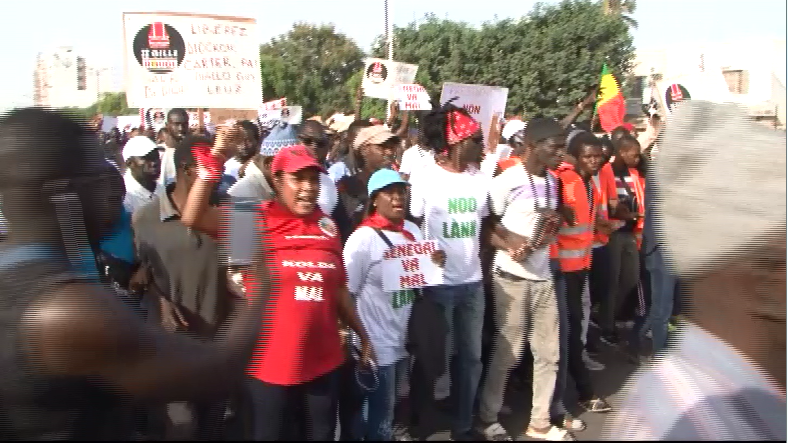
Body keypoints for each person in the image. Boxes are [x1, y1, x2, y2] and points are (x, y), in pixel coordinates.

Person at [0, 108, 271, 440]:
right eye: (98, 178)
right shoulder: (66, 310)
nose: (112, 192)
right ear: (62, 191)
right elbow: (222, 367)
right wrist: (268, 287)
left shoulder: (41, 266)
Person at [603, 100, 786, 441]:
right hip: (658, 252)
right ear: (771, 273)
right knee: (657, 310)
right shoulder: (679, 422)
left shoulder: (753, 400)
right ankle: (647, 345)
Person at [478, 118, 573, 442]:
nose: (562, 154)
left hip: (543, 276)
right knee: (510, 354)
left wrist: (553, 225)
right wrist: (508, 243)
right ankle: (487, 417)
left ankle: (540, 422)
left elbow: (550, 218)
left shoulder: (553, 182)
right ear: (532, 146)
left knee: (549, 353)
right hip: (510, 277)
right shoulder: (507, 180)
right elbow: (487, 224)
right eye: (555, 147)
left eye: (563, 147)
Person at [408, 101, 490, 441]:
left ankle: (462, 425)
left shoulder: (480, 179)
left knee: (471, 360)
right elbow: (412, 225)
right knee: (431, 360)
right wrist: (425, 258)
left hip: (473, 284)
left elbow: (484, 226)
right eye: (477, 139)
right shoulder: (425, 177)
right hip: (437, 285)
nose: (482, 146)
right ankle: (416, 423)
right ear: (458, 141)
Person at [343, 168, 446, 441]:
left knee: (392, 403)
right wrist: (359, 341)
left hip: (405, 337)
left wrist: (435, 263)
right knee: (380, 412)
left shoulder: (412, 230)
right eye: (390, 193)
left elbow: (420, 280)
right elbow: (346, 294)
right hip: (376, 342)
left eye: (401, 192)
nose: (398, 198)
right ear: (375, 199)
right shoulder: (361, 240)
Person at [554, 131, 613, 414]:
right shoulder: (562, 181)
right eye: (587, 156)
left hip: (580, 269)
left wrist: (601, 229)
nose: (593, 161)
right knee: (569, 333)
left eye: (597, 156)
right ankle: (583, 391)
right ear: (574, 157)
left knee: (569, 333)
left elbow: (585, 228)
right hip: (561, 272)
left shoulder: (592, 184)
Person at [600, 135, 644, 346]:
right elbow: (609, 204)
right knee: (612, 280)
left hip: (630, 230)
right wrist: (623, 215)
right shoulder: (607, 170)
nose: (638, 158)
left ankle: (608, 315)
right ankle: (607, 325)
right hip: (613, 231)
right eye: (634, 154)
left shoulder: (633, 172)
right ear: (623, 152)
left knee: (631, 278)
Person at [335, 125, 398, 241]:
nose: (389, 152)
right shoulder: (348, 187)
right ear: (365, 150)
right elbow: (341, 230)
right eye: (382, 147)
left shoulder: (398, 187)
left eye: (392, 147)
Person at [298, 120, 340, 216]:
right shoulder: (285, 176)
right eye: (307, 141)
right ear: (296, 141)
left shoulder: (329, 180)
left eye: (320, 143)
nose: (314, 147)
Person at [121, 136, 161, 215]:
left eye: (155, 157)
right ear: (130, 163)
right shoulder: (125, 198)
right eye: (146, 158)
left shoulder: (161, 188)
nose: (154, 163)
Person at [158, 109, 191, 189]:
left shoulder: (194, 150)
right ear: (167, 125)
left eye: (184, 124)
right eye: (176, 124)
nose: (181, 128)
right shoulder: (159, 152)